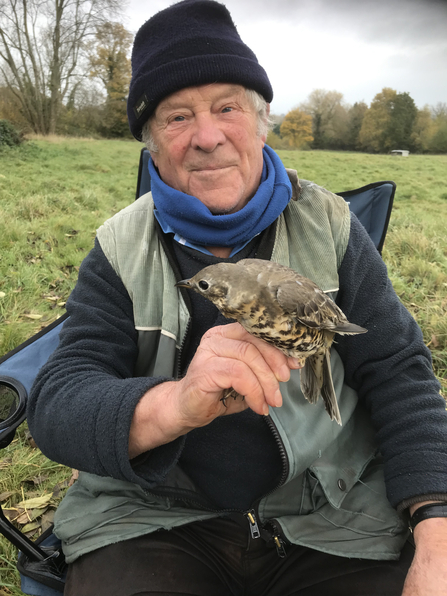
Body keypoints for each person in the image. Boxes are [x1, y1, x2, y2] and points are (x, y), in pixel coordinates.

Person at [28, 1, 447, 594]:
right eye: (176, 117)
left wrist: (437, 534)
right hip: (156, 523)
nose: (206, 137)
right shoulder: (120, 247)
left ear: (260, 121)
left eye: (227, 107)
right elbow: (58, 406)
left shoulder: (331, 227)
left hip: (331, 517)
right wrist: (174, 404)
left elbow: (400, 372)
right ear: (151, 145)